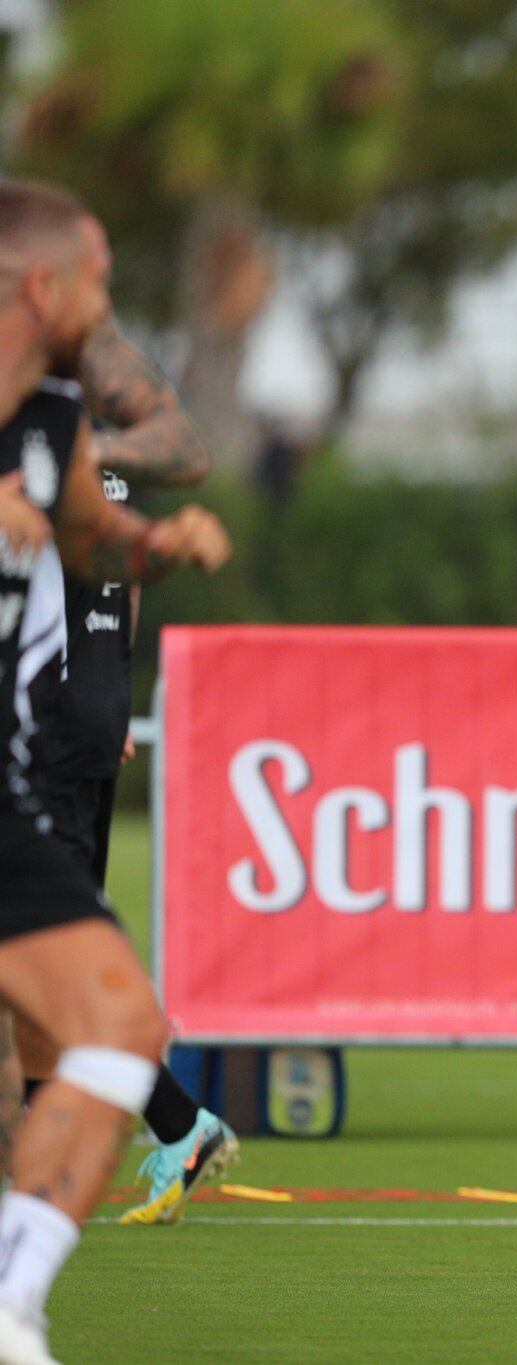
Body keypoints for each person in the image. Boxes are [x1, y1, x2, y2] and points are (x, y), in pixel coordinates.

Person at [0, 179, 232, 1365]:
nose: (109, 303)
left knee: (105, 1022)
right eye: (95, 276)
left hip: (23, 769)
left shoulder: (51, 421)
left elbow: (101, 538)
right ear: (42, 287)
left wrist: (162, 547)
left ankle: (13, 1306)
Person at [16, 317, 238, 1226]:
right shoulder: (104, 459)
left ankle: (174, 1125)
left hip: (50, 728)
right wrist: (113, 690)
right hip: (88, 715)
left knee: (54, 954)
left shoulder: (45, 449)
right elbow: (124, 570)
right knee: (48, 952)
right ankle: (49, 1150)